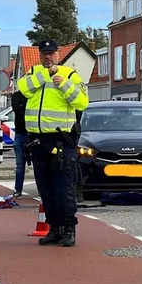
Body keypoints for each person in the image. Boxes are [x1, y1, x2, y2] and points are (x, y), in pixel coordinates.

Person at [16, 39, 89, 247]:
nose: (47, 57)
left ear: (58, 54)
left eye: (51, 53)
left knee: (63, 187)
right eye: (44, 53)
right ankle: (54, 228)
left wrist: (63, 84)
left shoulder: (70, 75)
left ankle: (68, 228)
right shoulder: (34, 74)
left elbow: (82, 101)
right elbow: (23, 89)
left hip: (60, 140)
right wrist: (44, 76)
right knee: (45, 188)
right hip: (38, 141)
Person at [10, 90, 28, 197]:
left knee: (38, 164)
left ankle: (41, 190)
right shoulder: (17, 95)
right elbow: (17, 109)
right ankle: (18, 189)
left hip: (33, 134)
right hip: (21, 133)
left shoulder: (35, 94)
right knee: (20, 165)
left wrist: (23, 107)